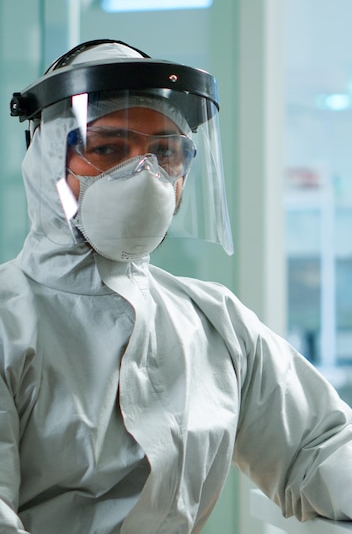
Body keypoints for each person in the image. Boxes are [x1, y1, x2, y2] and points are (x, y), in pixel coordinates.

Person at [2, 38, 352, 534]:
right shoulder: (8, 322)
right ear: (45, 161)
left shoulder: (213, 321)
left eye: (165, 153)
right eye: (107, 148)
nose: (146, 176)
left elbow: (321, 448)